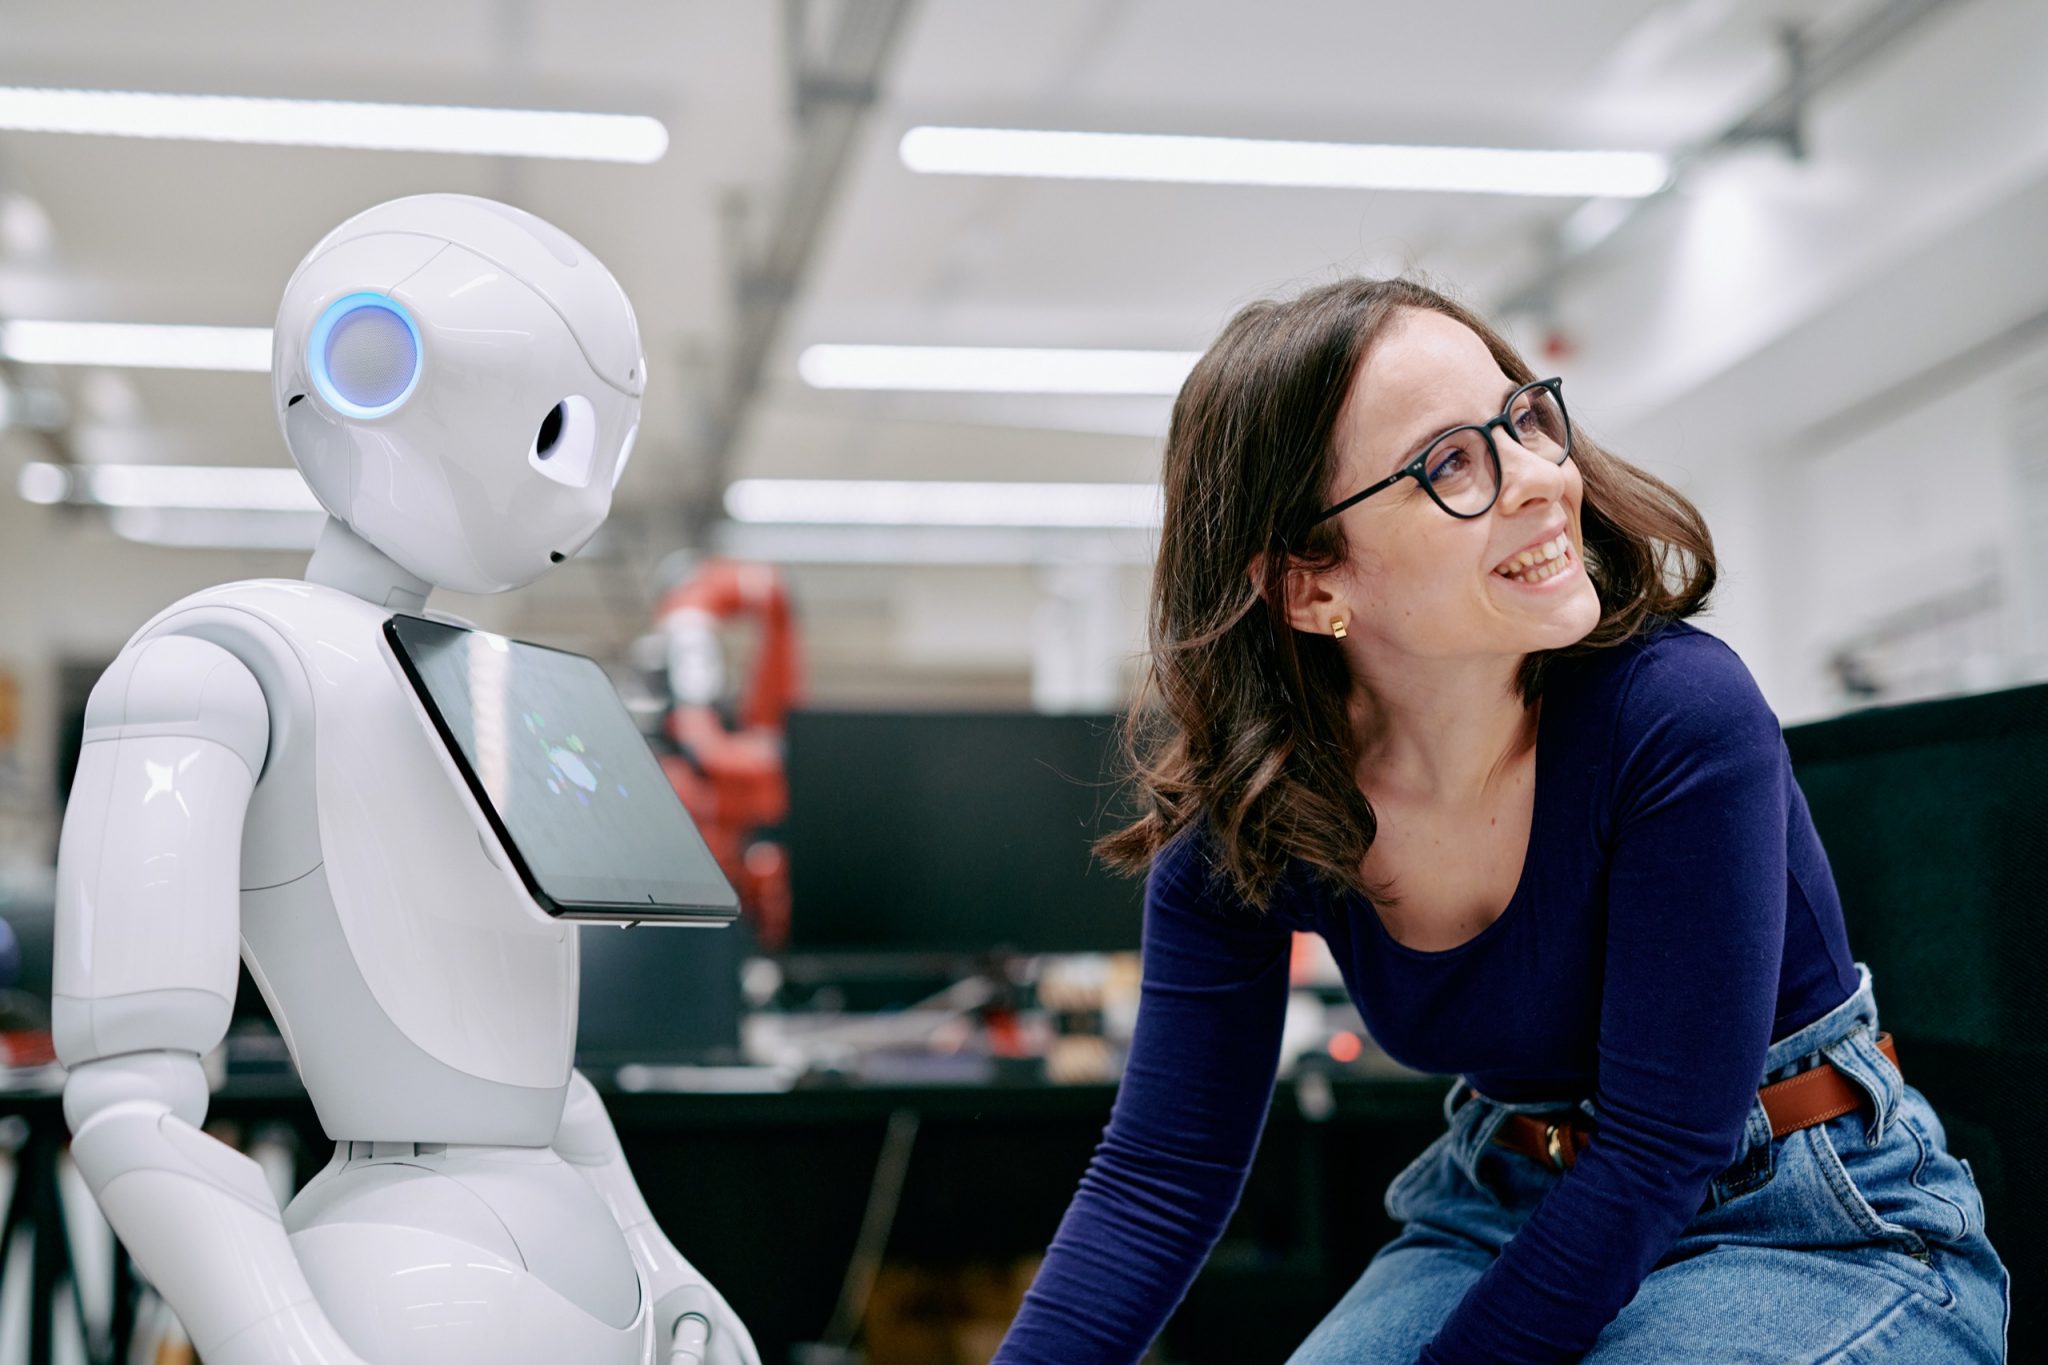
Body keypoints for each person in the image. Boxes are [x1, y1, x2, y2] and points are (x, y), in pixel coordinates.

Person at [991, 277, 2011, 1363]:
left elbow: (1660, 1148)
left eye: (1522, 419)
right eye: (1449, 463)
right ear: (1306, 583)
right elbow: (1163, 1174)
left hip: (1809, 1217)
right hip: (1501, 1203)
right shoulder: (1256, 824)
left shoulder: (1672, 714)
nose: (1538, 478)